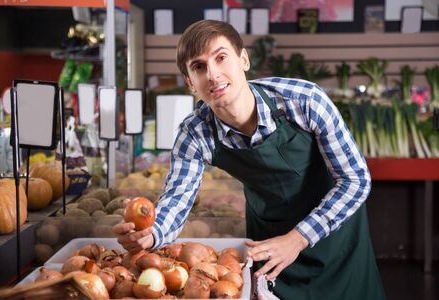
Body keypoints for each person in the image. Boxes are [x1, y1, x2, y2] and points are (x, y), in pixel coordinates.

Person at [114, 20, 385, 299]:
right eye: (199, 67)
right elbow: (177, 198)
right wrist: (151, 234)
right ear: (190, 83)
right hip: (268, 243)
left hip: (335, 239)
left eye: (221, 58)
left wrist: (298, 238)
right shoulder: (195, 133)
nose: (213, 75)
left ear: (243, 59)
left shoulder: (304, 100)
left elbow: (355, 179)